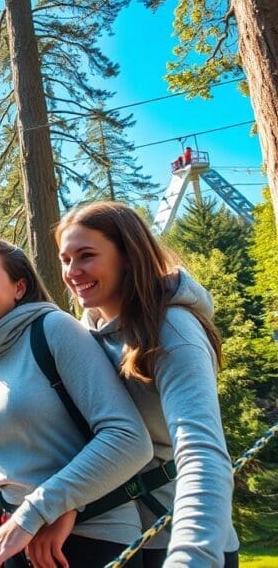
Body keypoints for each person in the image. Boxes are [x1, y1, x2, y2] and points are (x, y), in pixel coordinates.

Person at [51, 201, 239, 567]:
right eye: (65, 259)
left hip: (177, 538)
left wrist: (192, 555)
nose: (72, 271)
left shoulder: (171, 331)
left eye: (86, 255)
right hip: (113, 539)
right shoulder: (83, 333)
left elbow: (201, 452)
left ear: (127, 256)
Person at [0, 238, 153, 568]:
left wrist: (37, 511)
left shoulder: (54, 330)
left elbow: (129, 439)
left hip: (93, 536)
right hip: (13, 538)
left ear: (19, 288)